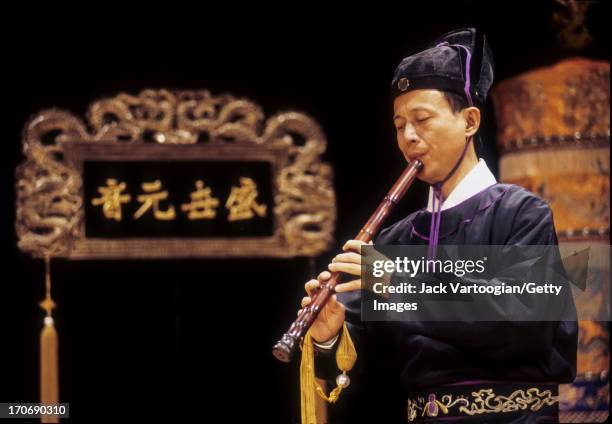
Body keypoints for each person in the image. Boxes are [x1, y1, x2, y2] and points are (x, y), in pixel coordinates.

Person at [299, 28, 577, 423]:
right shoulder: (398, 239)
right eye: (399, 125)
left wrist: (398, 282)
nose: (409, 137)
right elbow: (355, 374)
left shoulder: (521, 213)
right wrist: (330, 334)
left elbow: (521, 321)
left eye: (422, 120)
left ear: (470, 121)